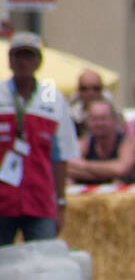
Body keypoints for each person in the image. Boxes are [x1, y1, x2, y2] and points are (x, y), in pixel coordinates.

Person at [0, 33, 78, 246]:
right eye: (17, 56)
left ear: (38, 62)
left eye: (28, 56)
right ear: (9, 61)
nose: (23, 62)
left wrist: (60, 202)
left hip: (40, 200)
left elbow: (60, 156)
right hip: (2, 201)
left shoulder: (53, 99)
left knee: (43, 266)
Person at [69, 99, 135, 183]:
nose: (99, 123)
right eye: (94, 119)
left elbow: (120, 169)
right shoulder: (85, 143)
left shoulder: (126, 143)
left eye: (103, 119)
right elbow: (68, 167)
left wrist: (84, 165)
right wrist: (108, 174)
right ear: (88, 122)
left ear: (114, 120)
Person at [69, 69, 115, 138]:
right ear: (78, 90)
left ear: (102, 90)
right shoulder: (70, 117)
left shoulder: (113, 117)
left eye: (95, 88)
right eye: (84, 88)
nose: (90, 93)